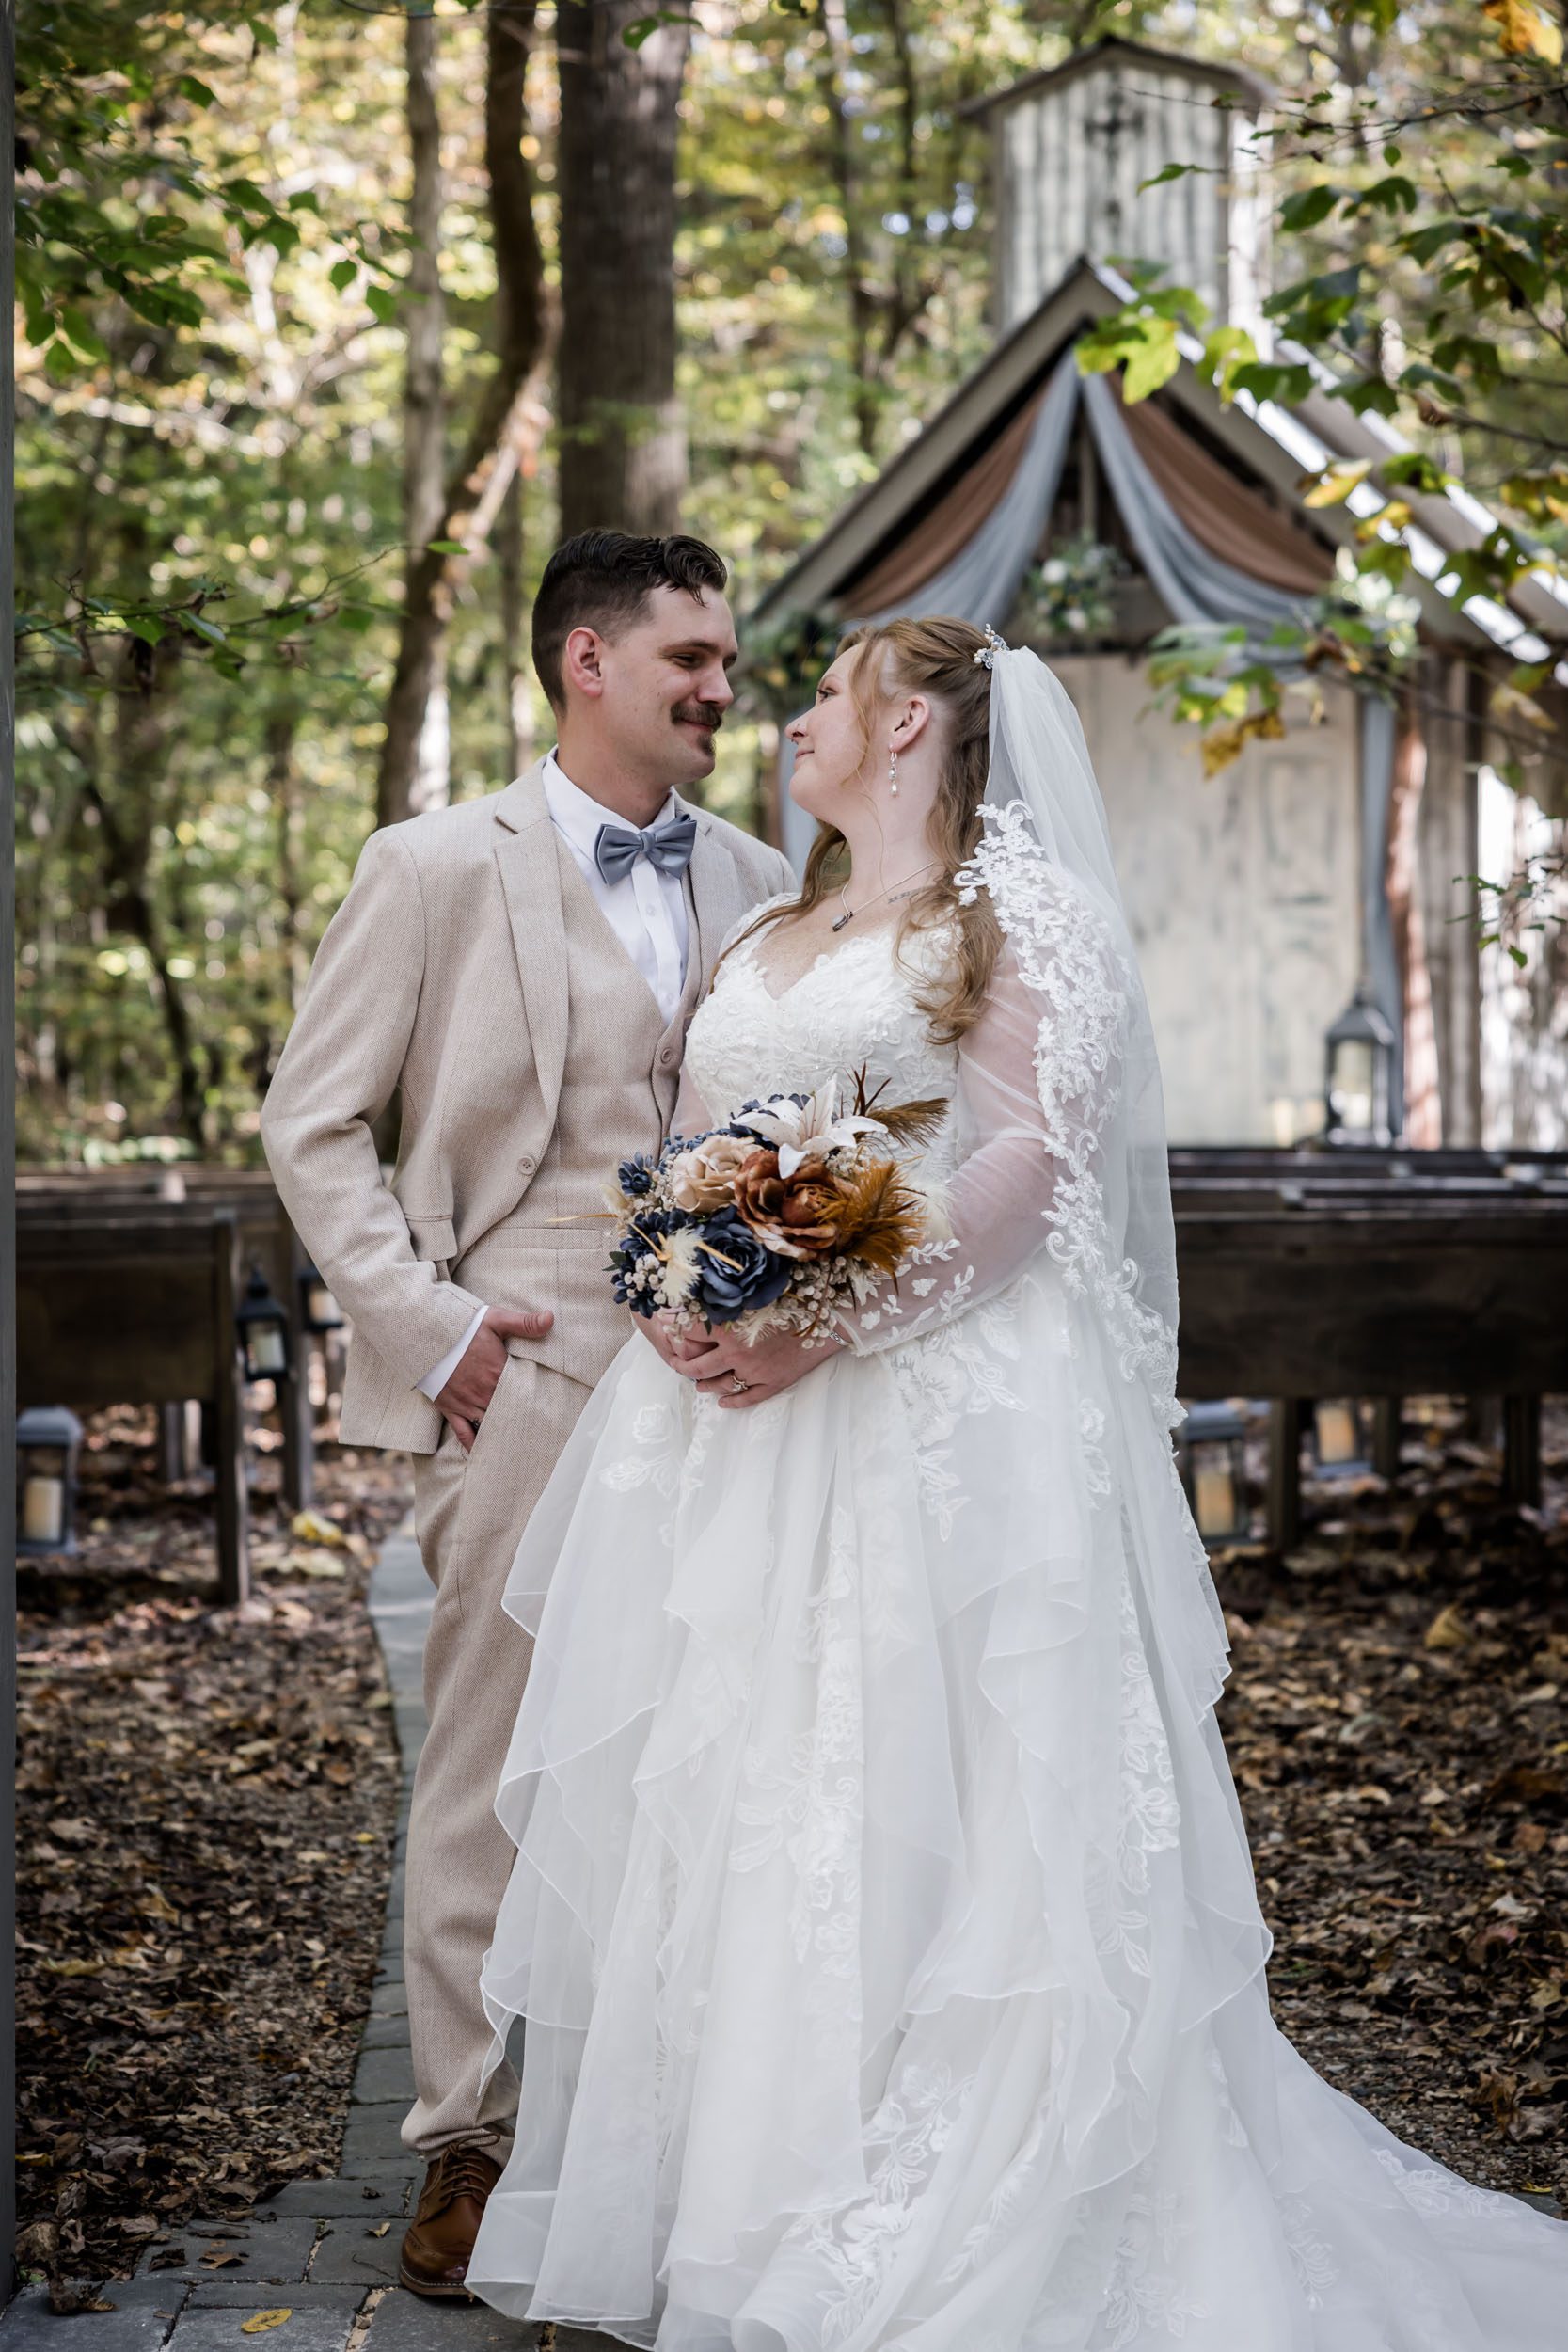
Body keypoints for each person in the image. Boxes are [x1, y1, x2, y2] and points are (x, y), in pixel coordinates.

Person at [464, 617, 1567, 2347]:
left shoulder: (1008, 915)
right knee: (746, 1793)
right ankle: (741, 2205)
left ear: (906, 724)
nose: (794, 714)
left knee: (918, 1782)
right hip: (718, 1438)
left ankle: (960, 2203)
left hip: (926, 1429)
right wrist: (689, 1289)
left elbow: (1033, 1166)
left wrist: (824, 1321)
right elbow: (693, 1156)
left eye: (826, 689)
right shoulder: (766, 924)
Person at [260, 530, 792, 2299]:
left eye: (724, 661)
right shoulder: (427, 869)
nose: (724, 690)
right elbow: (308, 1125)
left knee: (705, 1752)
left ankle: (668, 2138)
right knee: (495, 1764)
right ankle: (470, 2146)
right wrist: (431, 1328)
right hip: (525, 1371)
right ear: (587, 661)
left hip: (734, 1385)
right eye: (691, 661)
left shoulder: (768, 876)